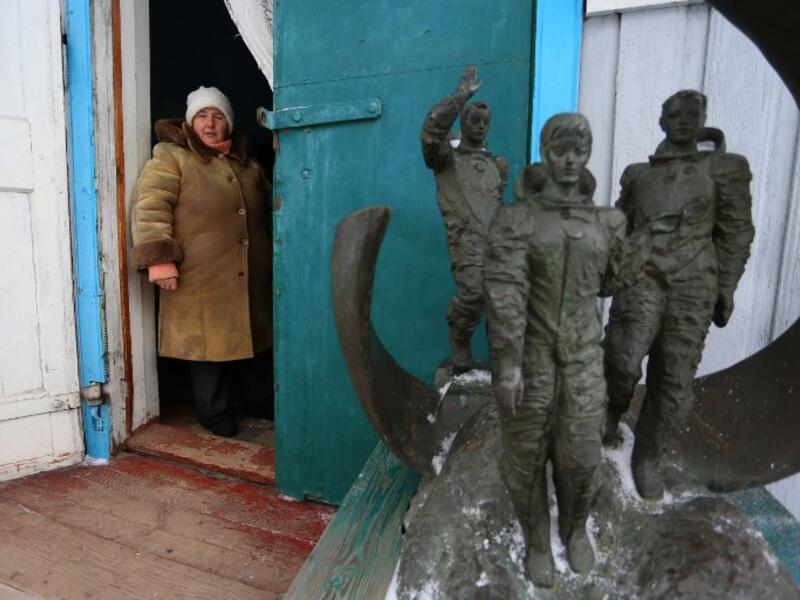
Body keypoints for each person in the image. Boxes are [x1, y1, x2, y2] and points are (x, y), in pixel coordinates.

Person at [485, 113, 675, 587]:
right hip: (530, 358)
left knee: (582, 455)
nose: (570, 159)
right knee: (525, 455)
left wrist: (643, 240)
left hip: (584, 359)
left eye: (579, 149)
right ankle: (534, 539)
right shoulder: (518, 219)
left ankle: (574, 530)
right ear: (546, 152)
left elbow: (609, 281)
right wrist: (507, 365)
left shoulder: (604, 220)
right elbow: (505, 291)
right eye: (560, 149)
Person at [603, 90, 754, 500]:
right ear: (662, 121)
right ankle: (607, 415)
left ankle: (648, 457)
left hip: (693, 284)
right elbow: (618, 226)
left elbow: (736, 231)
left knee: (673, 383)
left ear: (704, 117)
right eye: (675, 113)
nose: (684, 119)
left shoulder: (725, 169)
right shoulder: (638, 174)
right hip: (643, 274)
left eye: (693, 113)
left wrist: (726, 285)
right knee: (621, 358)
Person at [131, 85, 273, 437]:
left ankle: (254, 404)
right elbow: (150, 207)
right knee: (208, 349)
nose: (210, 124)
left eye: (218, 116)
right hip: (200, 275)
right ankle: (214, 414)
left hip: (249, 274)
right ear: (190, 122)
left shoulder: (249, 165)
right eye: (202, 117)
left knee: (250, 344)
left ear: (229, 123)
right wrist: (160, 260)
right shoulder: (172, 157)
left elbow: (273, 206)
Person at [421, 66, 508, 373]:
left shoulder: (497, 164)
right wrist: (461, 96)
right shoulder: (447, 158)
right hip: (465, 238)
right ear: (462, 121)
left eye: (485, 122)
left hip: (496, 240)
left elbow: (498, 202)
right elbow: (431, 133)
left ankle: (502, 357)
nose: (481, 126)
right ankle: (459, 337)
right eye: (474, 120)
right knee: (473, 292)